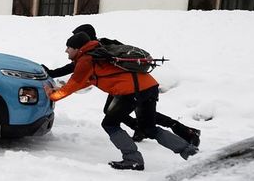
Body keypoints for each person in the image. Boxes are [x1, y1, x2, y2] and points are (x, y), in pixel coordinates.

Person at [47, 32, 198, 170]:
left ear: (77, 48)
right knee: (149, 129)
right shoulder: (98, 52)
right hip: (149, 87)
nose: (66, 51)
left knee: (110, 124)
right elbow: (88, 80)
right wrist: (60, 89)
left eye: (68, 47)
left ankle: (132, 159)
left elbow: (74, 84)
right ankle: (191, 154)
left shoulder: (87, 59)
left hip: (131, 92)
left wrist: (52, 96)